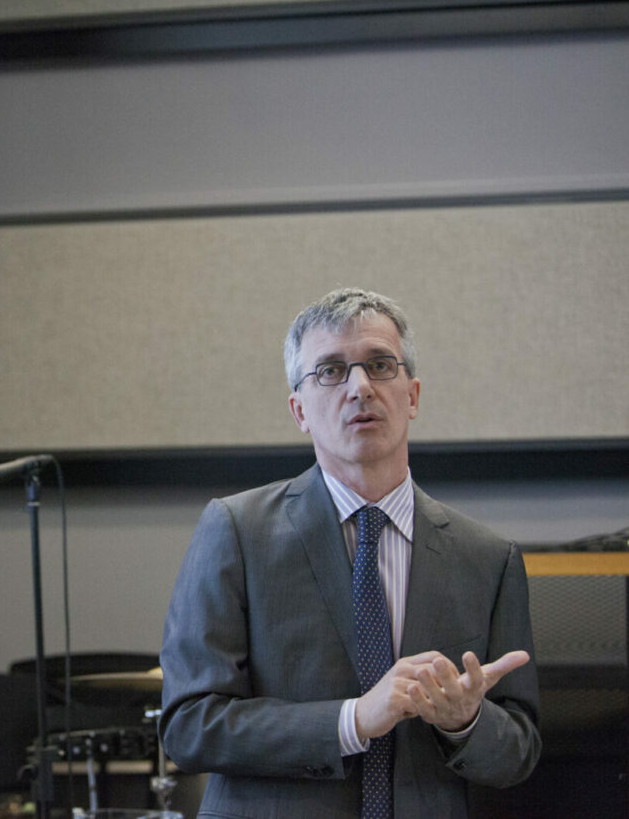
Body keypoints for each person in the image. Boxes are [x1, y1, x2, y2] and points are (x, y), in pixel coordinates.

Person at [159, 287, 540, 818]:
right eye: (331, 372)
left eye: (381, 365)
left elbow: (518, 754)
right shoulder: (236, 531)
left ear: (413, 395)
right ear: (299, 410)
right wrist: (354, 720)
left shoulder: (488, 557)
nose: (360, 387)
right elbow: (189, 727)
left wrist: (464, 721)